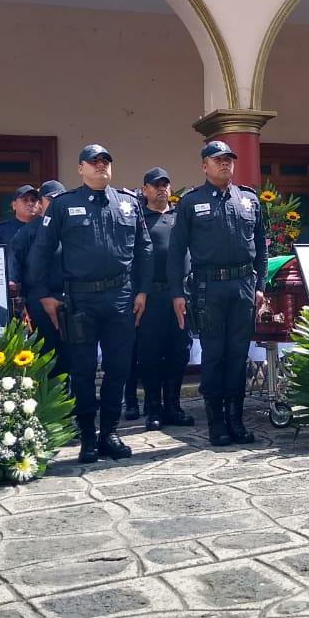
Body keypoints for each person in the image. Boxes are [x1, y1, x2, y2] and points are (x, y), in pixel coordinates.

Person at [31, 144, 152, 463]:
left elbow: (145, 249)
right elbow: (41, 251)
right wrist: (44, 294)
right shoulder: (63, 205)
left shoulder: (128, 203)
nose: (101, 166)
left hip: (121, 298)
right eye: (94, 162)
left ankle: (109, 433)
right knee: (83, 370)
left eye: (106, 162)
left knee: (118, 368)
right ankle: (87, 436)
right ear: (81, 169)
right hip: (80, 299)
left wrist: (142, 291)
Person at [167, 140, 267, 447]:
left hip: (242, 286)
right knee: (214, 356)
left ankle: (236, 419)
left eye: (228, 159)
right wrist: (177, 292)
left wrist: (260, 287)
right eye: (217, 159)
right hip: (208, 287)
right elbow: (176, 250)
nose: (224, 163)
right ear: (204, 166)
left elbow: (261, 248)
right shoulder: (190, 202)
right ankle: (217, 422)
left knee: (238, 355)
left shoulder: (249, 199)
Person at [136, 166, 194, 430]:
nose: (161, 189)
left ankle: (173, 406)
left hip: (179, 294)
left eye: (165, 184)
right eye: (155, 185)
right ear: (145, 189)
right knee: (150, 354)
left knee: (178, 352)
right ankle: (154, 409)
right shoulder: (139, 218)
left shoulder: (180, 217)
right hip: (151, 296)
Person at [7, 180, 65, 357]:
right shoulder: (28, 232)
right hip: (39, 301)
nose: (56, 203)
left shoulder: (73, 227)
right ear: (41, 204)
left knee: (70, 356)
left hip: (70, 299)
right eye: (50, 199)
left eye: (60, 199)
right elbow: (14, 267)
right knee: (45, 355)